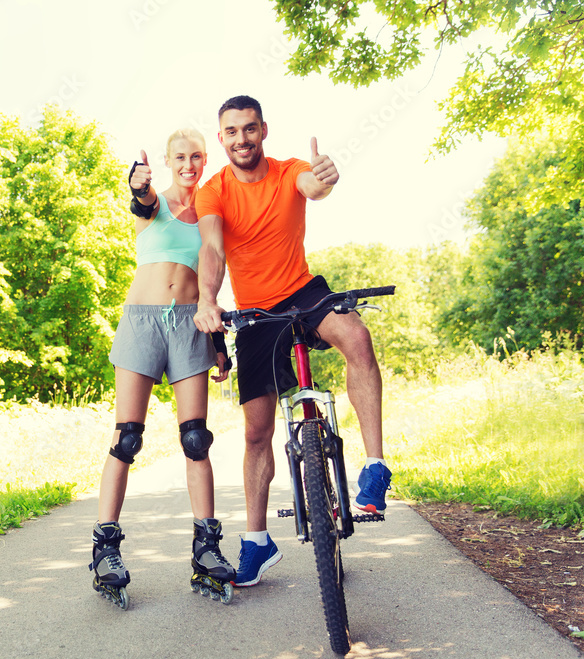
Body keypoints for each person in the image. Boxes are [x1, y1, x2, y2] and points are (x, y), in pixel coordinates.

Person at [193, 95, 393, 588]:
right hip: (258, 312)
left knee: (355, 333)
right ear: (222, 138)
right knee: (257, 431)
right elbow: (214, 249)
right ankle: (258, 542)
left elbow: (313, 186)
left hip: (303, 293)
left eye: (250, 129)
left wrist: (323, 179)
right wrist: (207, 299)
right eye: (232, 131)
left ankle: (375, 467)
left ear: (264, 130)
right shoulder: (213, 191)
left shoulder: (290, 172)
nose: (242, 138)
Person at [89, 128, 236, 608]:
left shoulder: (213, 214)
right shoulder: (156, 202)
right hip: (142, 322)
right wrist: (138, 185)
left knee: (196, 439)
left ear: (205, 157)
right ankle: (105, 550)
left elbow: (213, 274)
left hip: (191, 325)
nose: (189, 164)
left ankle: (206, 549)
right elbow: (143, 202)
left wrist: (218, 342)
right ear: (169, 161)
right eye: (180, 157)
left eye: (196, 156)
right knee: (126, 437)